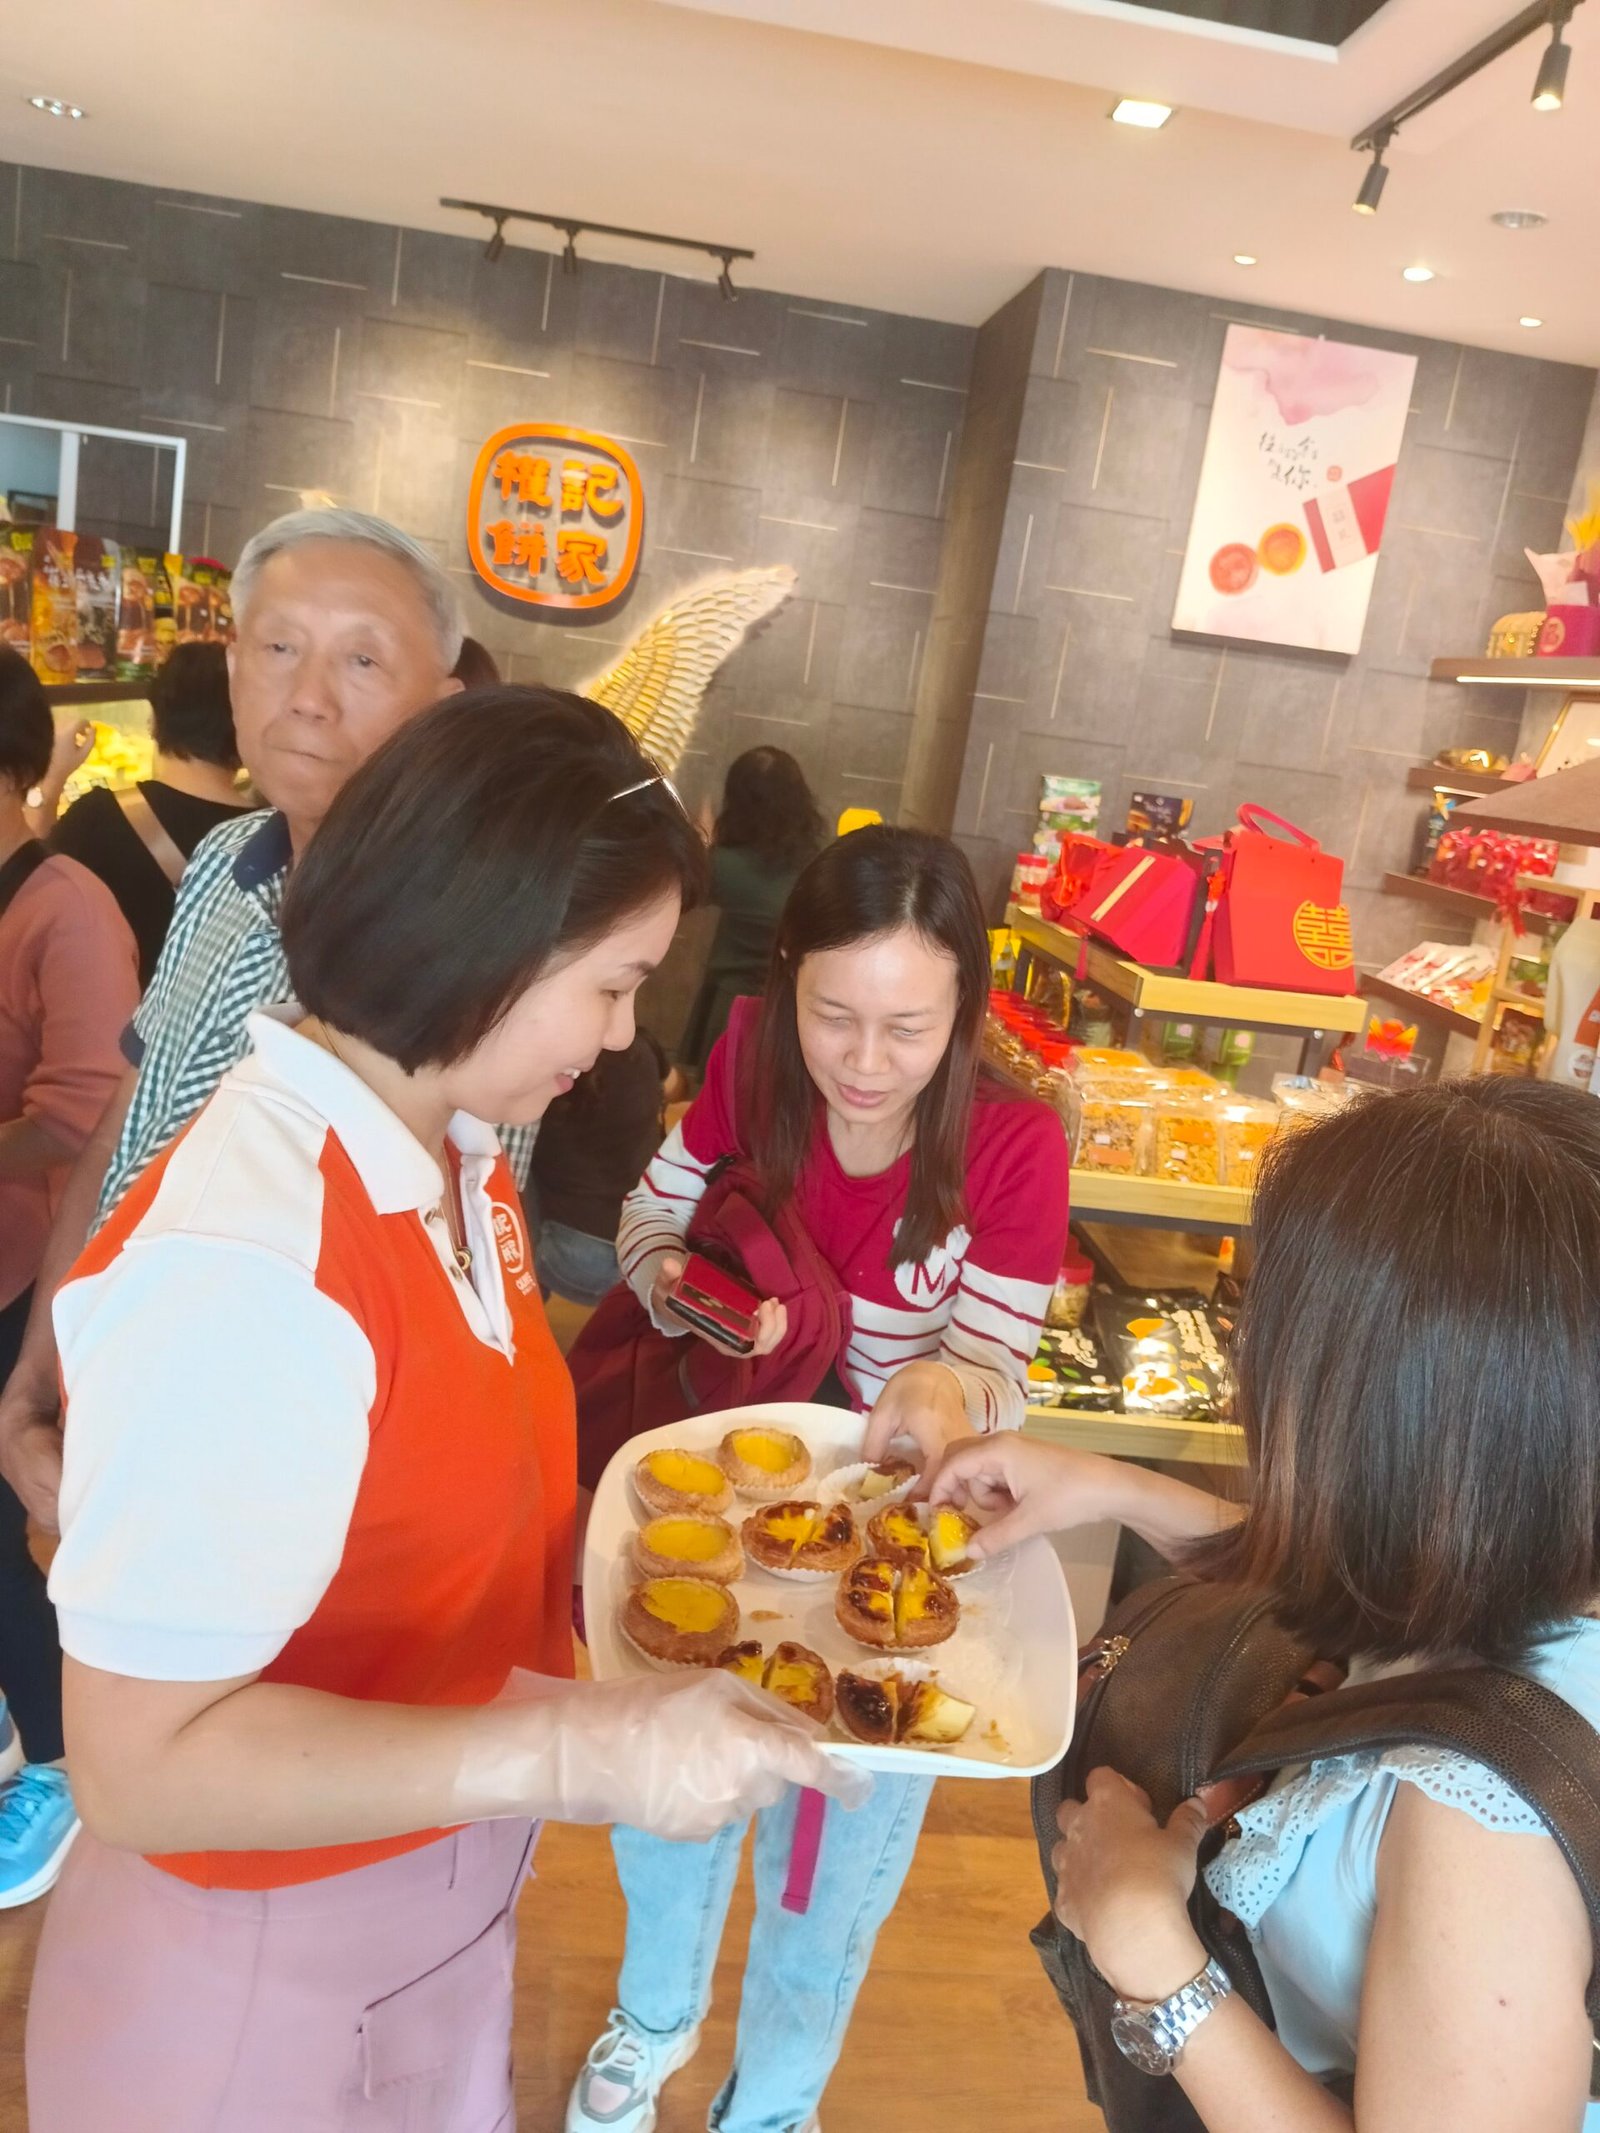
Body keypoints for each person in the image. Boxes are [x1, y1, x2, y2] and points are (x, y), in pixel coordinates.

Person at [25, 687, 863, 2133]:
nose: (623, 1037)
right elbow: (139, 1766)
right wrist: (575, 1750)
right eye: (613, 984)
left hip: (422, 1912)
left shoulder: (453, 1159)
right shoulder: (253, 1258)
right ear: (490, 936)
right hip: (261, 1987)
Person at [933, 1075, 1600, 2133]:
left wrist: (1150, 1948)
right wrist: (1113, 1487)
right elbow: (1375, 1573)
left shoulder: (1478, 1834)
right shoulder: (1519, 1572)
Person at [567, 824, 1072, 2133]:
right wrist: (676, 1285)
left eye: (908, 1029)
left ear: (965, 1012)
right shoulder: (751, 1058)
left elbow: (997, 1365)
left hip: (896, 1532)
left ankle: (775, 2103)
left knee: (837, 1857)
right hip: (715, 1498)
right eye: (831, 1016)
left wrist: (948, 1386)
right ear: (784, 979)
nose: (861, 1063)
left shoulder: (1014, 1143)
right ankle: (655, 2018)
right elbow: (648, 1213)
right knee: (671, 1800)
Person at [0, 507, 539, 1543]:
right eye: (280, 647)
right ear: (235, 669)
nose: (309, 697)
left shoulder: (464, 961)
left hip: (252, 1486)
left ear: (443, 709)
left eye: (363, 660)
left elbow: (445, 1284)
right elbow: (126, 1124)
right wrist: (38, 1377)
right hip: (101, 1399)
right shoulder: (222, 863)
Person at [0, 647, 138, 1906]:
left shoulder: (64, 907)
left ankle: (56, 1764)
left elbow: (83, 1113)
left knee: (11, 1537)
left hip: (22, 1273)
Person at [50, 642, 248, 987]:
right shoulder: (279, 833)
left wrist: (51, 779)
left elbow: (25, 887)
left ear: (154, 719)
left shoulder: (98, 817)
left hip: (113, 1015)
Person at [678, 746, 825, 1079]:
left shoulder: (721, 866)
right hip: (791, 1009)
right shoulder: (819, 867)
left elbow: (682, 891)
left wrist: (700, 845)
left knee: (719, 1095)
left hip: (730, 1006)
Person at [529, 1027, 668, 1307]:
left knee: (510, 1164)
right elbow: (674, 1082)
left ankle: (524, 1297)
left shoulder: (552, 1061)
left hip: (572, 1254)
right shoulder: (640, 1048)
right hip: (636, 1254)